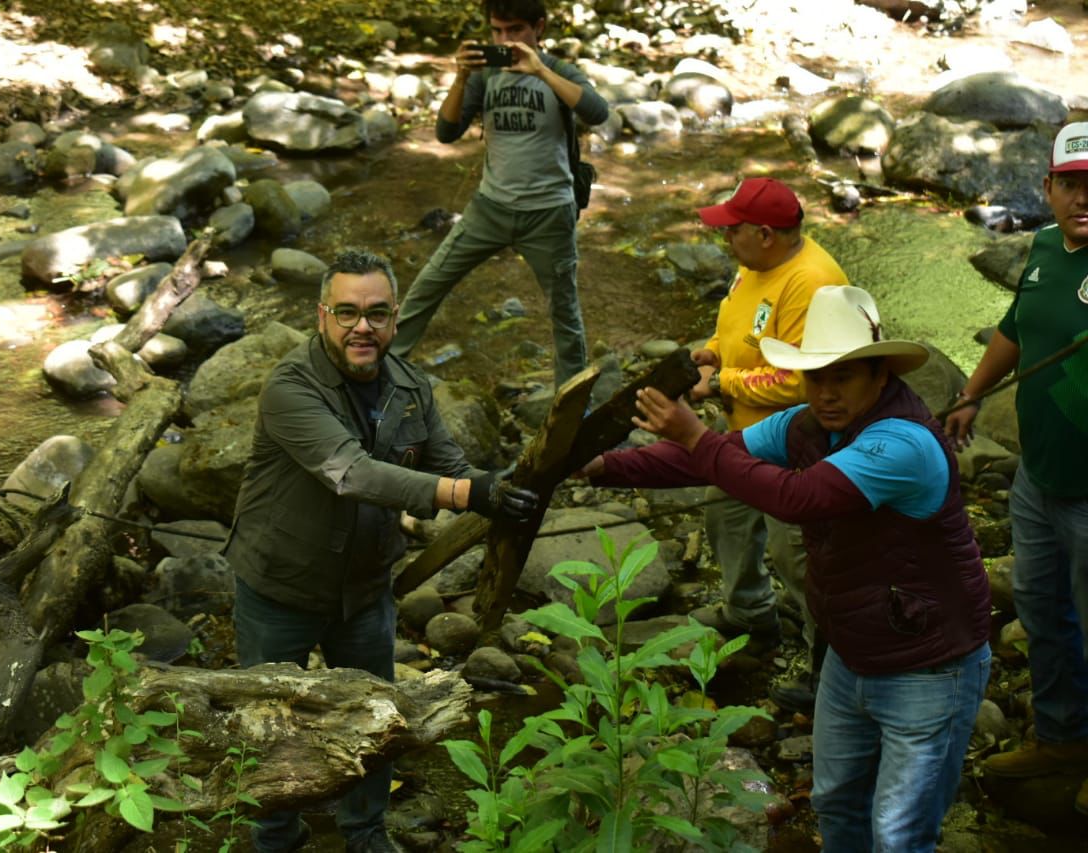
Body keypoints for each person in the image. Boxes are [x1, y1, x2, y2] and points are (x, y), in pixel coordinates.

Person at [579, 285, 992, 852]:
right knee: (837, 803)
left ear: (879, 376)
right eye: (815, 375)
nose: (825, 391)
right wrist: (604, 466)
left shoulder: (904, 444)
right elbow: (715, 457)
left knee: (900, 834)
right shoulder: (803, 424)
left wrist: (694, 435)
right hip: (851, 651)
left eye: (842, 377)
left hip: (929, 666)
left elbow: (797, 498)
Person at [226, 249, 538, 853]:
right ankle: (273, 836)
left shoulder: (411, 386)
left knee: (377, 716)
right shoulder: (290, 386)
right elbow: (352, 473)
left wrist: (504, 487)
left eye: (375, 313)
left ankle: (365, 832)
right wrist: (467, 493)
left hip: (366, 591)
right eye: (346, 312)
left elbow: (451, 463)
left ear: (395, 319)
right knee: (268, 725)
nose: (361, 326)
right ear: (322, 316)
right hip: (278, 586)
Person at [945, 121, 1088, 810]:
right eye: (1070, 184)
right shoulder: (1041, 249)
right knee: (1041, 606)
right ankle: (1061, 736)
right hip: (1038, 474)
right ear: (1049, 189)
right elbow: (1014, 325)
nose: (1082, 198)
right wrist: (970, 395)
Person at [688, 177, 849, 711]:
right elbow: (739, 328)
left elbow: (802, 380)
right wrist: (713, 353)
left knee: (796, 553)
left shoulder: (813, 283)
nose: (725, 241)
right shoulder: (755, 263)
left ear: (765, 234)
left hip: (798, 439)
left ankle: (829, 666)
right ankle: (751, 615)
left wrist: (722, 382)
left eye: (731, 232)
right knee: (724, 514)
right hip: (744, 432)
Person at [389, 0, 609, 388]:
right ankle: (379, 373)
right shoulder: (485, 76)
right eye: (497, 31)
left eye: (515, 30)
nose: (505, 40)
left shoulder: (558, 71)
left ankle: (570, 407)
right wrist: (460, 77)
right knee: (428, 285)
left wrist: (538, 68)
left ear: (537, 28)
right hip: (489, 209)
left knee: (565, 314)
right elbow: (446, 133)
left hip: (549, 214)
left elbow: (597, 111)